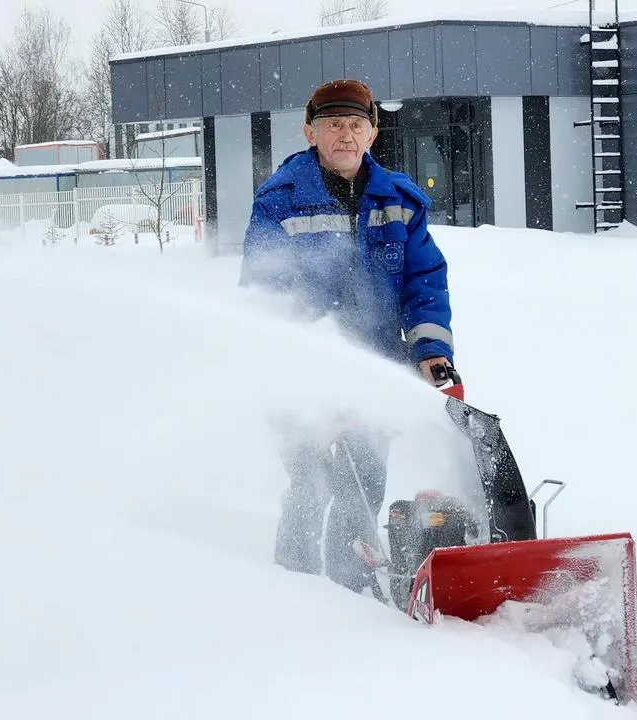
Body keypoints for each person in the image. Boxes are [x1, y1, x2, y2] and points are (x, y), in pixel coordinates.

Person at [238, 78, 456, 595]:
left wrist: (431, 352)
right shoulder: (280, 201)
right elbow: (266, 294)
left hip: (373, 369)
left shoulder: (399, 199)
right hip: (297, 377)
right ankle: (293, 587)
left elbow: (423, 281)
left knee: (364, 488)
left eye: (356, 124)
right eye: (333, 124)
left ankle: (350, 588)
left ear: (373, 133)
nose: (345, 134)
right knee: (311, 484)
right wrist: (319, 382)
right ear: (310, 133)